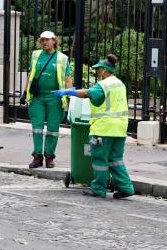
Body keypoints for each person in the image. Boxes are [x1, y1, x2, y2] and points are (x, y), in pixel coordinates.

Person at [53, 54, 134, 199]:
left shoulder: (104, 84)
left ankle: (98, 189)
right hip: (120, 128)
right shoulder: (119, 83)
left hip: (104, 128)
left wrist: (68, 91)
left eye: (98, 69)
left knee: (99, 160)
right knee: (115, 159)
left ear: (104, 70)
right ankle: (126, 187)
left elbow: (88, 94)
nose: (97, 72)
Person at [25, 30, 72, 169]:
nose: (45, 42)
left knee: (53, 129)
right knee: (37, 128)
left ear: (54, 41)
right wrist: (24, 92)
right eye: (42, 40)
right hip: (37, 97)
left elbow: (68, 78)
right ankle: (37, 157)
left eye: (47, 40)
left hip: (55, 98)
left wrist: (69, 96)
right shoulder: (35, 55)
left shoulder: (62, 58)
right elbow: (30, 74)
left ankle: (49, 157)